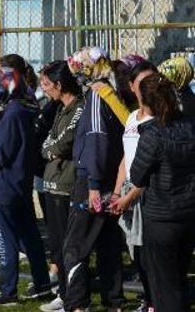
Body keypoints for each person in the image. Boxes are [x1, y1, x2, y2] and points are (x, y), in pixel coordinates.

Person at [0, 54, 52, 307]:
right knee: (30, 237)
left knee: (5, 239)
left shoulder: (12, 113)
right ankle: (42, 285)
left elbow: (1, 153)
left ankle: (8, 290)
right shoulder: (28, 106)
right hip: (20, 184)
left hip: (4, 186)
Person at [64, 47, 125, 311]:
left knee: (75, 246)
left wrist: (93, 185)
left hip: (92, 180)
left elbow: (97, 140)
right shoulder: (112, 91)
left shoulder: (97, 95)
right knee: (108, 243)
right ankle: (114, 300)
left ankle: (77, 303)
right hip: (110, 178)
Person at [128, 74, 195, 312]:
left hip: (162, 217)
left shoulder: (153, 135)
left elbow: (137, 176)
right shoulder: (190, 126)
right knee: (178, 279)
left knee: (164, 287)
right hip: (187, 214)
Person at [100, 61, 157, 312]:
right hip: (128, 193)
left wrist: (130, 196)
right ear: (132, 86)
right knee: (136, 252)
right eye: (142, 82)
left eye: (152, 81)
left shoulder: (161, 119)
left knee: (150, 253)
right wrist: (116, 192)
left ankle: (156, 300)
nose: (148, 88)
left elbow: (153, 166)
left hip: (147, 194)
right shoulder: (133, 117)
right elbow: (126, 157)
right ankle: (149, 297)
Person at [37, 60, 84, 312]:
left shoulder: (78, 107)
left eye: (47, 84)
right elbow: (47, 144)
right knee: (56, 243)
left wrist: (52, 149)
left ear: (59, 84)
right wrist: (50, 150)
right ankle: (64, 293)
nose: (44, 89)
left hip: (67, 184)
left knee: (70, 245)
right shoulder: (57, 109)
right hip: (51, 182)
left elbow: (64, 143)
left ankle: (75, 296)